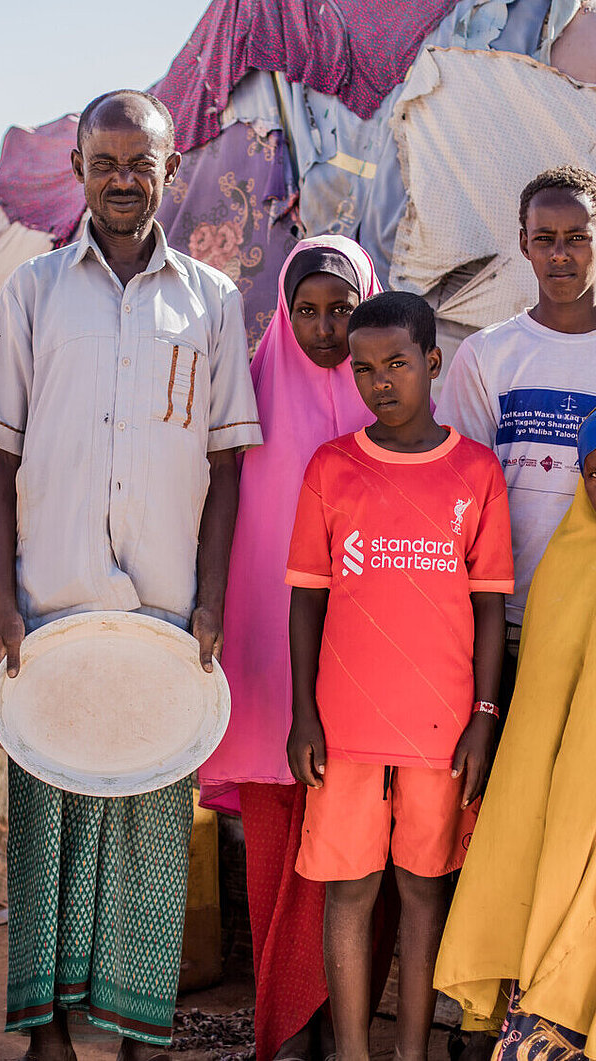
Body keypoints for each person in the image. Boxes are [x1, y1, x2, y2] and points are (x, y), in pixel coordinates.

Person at [0, 90, 262, 1061]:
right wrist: (4, 597)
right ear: (80, 171)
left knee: (146, 840)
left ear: (171, 170)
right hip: (49, 612)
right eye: (107, 163)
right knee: (46, 833)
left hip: (165, 614)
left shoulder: (211, 302)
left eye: (143, 163)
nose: (125, 180)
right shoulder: (33, 293)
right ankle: (47, 1034)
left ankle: (136, 1035)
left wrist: (209, 597)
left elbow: (225, 463)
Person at [286, 291, 514, 1061]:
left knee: (424, 888)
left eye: (397, 364)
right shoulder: (332, 466)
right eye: (364, 368)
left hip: (442, 727)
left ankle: (411, 1050)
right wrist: (303, 715)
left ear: (433, 364)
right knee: (348, 892)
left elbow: (488, 609)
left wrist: (484, 713)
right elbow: (306, 602)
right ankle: (353, 1051)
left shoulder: (476, 472)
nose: (380, 382)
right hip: (345, 727)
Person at [198, 235, 398, 1061]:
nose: (323, 329)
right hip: (269, 669)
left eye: (342, 310)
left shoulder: (391, 406)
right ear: (282, 310)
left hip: (367, 671)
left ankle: (333, 1021)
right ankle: (287, 1027)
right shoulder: (246, 397)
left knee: (356, 857)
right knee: (280, 855)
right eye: (306, 310)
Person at [434, 409, 596, 1061]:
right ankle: (520, 1013)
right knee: (538, 854)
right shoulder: (567, 556)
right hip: (556, 790)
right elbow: (539, 717)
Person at [436, 166, 596, 706]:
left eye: (577, 237)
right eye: (545, 239)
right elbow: (460, 493)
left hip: (588, 613)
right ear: (523, 243)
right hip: (501, 616)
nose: (560, 254)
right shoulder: (487, 354)